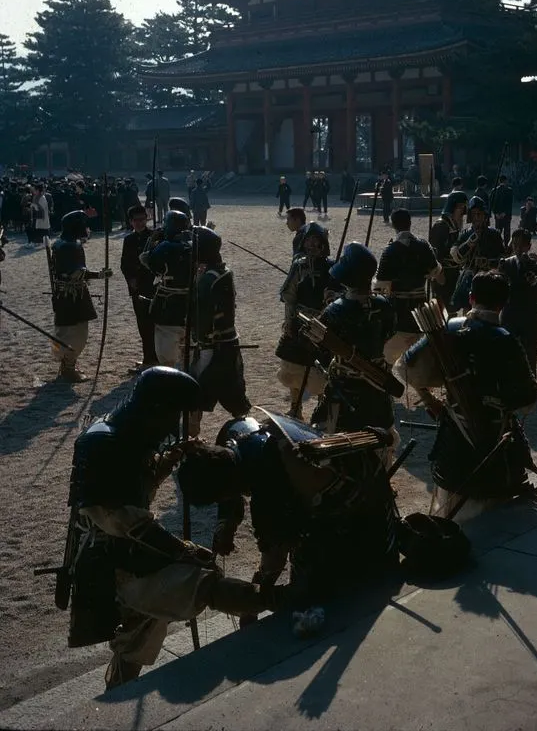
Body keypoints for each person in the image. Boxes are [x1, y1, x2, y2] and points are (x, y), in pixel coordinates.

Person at [66, 367, 285, 690]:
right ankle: (281, 599)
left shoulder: (127, 433)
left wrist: (166, 462)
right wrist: (183, 550)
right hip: (113, 560)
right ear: (157, 409)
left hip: (129, 549)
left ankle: (119, 689)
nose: (174, 424)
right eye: (173, 414)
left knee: (142, 630)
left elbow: (135, 485)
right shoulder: (103, 445)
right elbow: (122, 518)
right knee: (200, 583)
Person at [178, 410, 399, 623]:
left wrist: (256, 594)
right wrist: (225, 524)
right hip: (357, 480)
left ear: (229, 488)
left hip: (363, 515)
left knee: (307, 594)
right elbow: (229, 479)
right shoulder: (236, 435)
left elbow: (275, 554)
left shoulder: (271, 493)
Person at [398, 271, 537, 518]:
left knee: (452, 510)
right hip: (496, 437)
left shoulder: (447, 331)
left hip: (456, 435)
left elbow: (406, 369)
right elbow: (528, 400)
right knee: (496, 518)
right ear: (503, 303)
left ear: (471, 297)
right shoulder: (506, 340)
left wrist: (430, 399)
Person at [310, 243, 397, 449]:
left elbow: (320, 344)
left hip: (345, 384)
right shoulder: (384, 304)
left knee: (337, 434)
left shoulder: (335, 310)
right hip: (378, 379)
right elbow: (389, 332)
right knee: (381, 431)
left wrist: (331, 304)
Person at [188, 226, 251, 423]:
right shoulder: (222, 272)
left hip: (212, 345)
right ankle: (243, 420)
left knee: (196, 387)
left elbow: (202, 316)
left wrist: (198, 338)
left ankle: (192, 431)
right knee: (233, 388)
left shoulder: (209, 279)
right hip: (228, 342)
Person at [276, 223, 333, 418]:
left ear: (323, 244)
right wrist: (289, 321)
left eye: (316, 241)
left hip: (324, 323)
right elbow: (289, 295)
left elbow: (339, 296)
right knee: (296, 368)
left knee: (324, 368)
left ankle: (321, 408)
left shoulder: (332, 267)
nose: (311, 245)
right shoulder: (299, 265)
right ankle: (295, 407)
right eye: (308, 240)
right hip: (300, 321)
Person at [50, 210, 113, 382]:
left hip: (63, 295)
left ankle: (66, 364)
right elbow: (77, 273)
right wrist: (99, 275)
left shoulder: (58, 243)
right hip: (74, 296)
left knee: (64, 331)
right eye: (84, 225)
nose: (86, 228)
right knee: (77, 333)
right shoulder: (71, 246)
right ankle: (69, 366)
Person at [375, 209, 443, 365]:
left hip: (398, 311)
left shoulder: (389, 251)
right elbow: (437, 273)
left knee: (388, 356)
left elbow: (379, 287)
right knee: (423, 359)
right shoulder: (424, 246)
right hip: (422, 310)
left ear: (393, 225)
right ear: (410, 223)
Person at [141, 210, 193, 368]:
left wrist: (152, 240)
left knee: (166, 344)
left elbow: (146, 259)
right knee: (189, 343)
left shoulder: (165, 246)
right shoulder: (195, 245)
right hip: (191, 301)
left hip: (168, 303)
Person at [498, 228, 537, 375]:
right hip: (510, 314)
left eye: (521, 245)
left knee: (530, 357)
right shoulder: (506, 264)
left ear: (528, 246)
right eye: (514, 244)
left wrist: (536, 281)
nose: (517, 248)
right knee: (508, 355)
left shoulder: (535, 264)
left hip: (530, 315)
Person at [450, 196, 505, 311]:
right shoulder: (465, 234)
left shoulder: (494, 235)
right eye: (474, 214)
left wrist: (488, 263)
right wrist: (469, 243)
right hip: (470, 280)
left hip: (489, 279)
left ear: (485, 215)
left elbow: (503, 258)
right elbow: (456, 256)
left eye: (479, 214)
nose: (476, 217)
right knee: (467, 311)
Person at [120, 205, 158, 373]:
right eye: (136, 220)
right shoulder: (129, 240)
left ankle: (154, 358)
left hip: (154, 286)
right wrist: (131, 280)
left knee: (155, 323)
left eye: (143, 219)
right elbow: (125, 263)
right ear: (131, 222)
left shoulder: (155, 236)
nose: (140, 223)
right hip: (138, 287)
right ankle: (148, 357)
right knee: (143, 325)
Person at [429, 191, 468, 314]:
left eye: (463, 208)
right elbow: (434, 253)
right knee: (440, 309)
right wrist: (439, 274)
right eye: (460, 207)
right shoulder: (441, 225)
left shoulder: (455, 225)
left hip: (454, 273)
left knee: (452, 307)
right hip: (443, 273)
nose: (462, 212)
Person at [492, 175, 514, 247]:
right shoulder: (509, 190)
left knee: (498, 232)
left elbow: (492, 203)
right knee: (507, 232)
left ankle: (497, 246)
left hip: (497, 215)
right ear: (506, 181)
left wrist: (495, 213)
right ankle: (507, 247)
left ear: (499, 181)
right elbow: (509, 204)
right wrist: (505, 212)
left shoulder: (494, 190)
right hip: (506, 215)